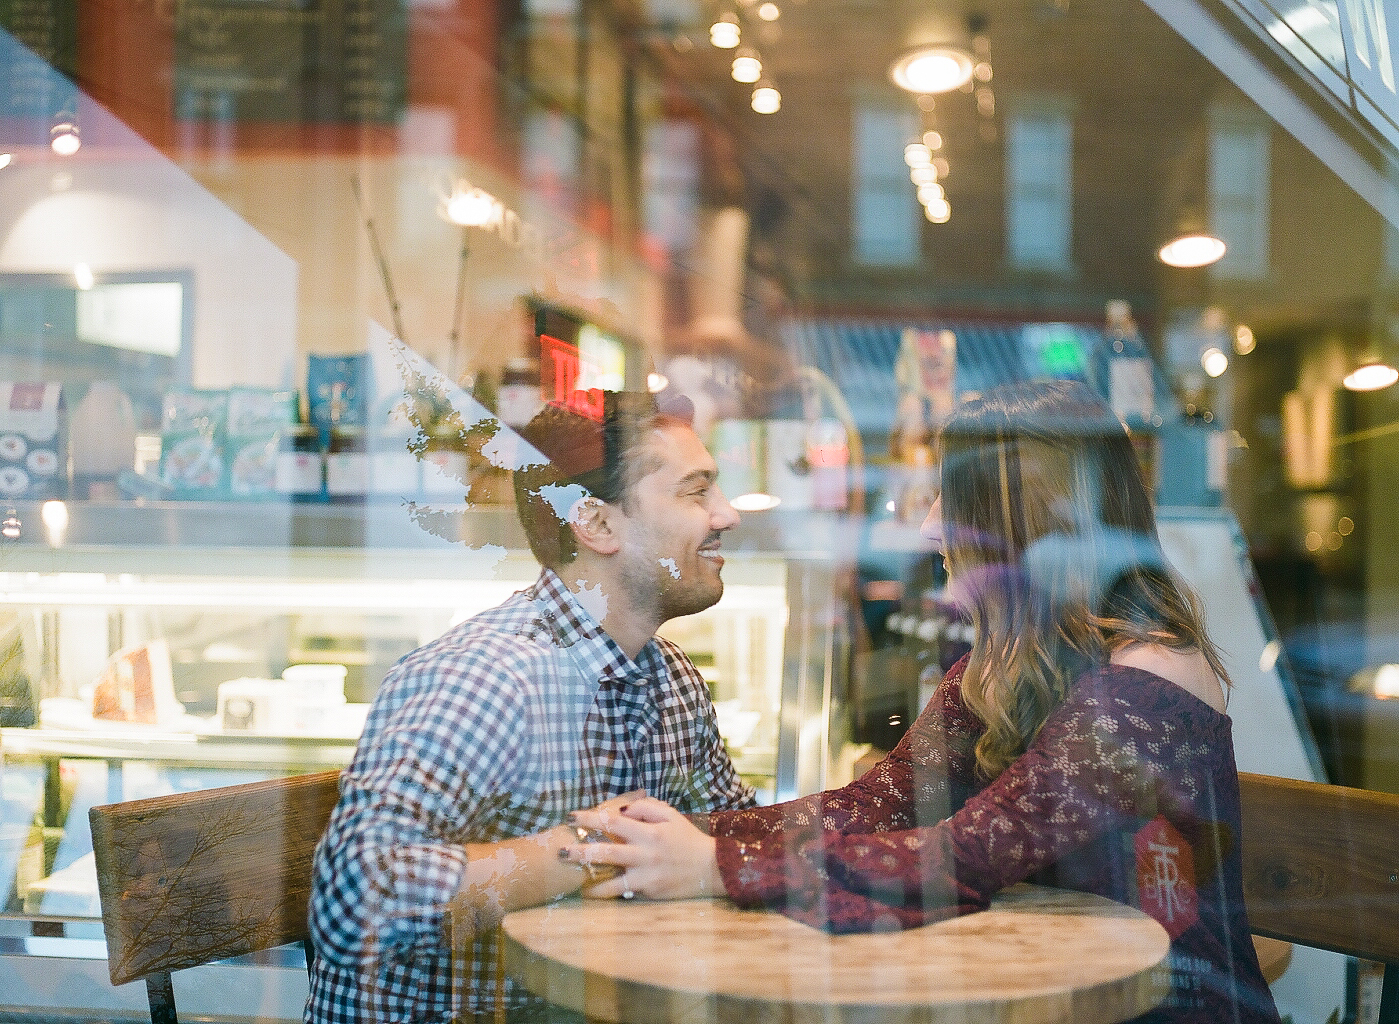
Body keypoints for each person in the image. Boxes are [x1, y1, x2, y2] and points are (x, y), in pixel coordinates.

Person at [565, 380, 1282, 1024]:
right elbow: (874, 802)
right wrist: (684, 836)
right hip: (1039, 1001)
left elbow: (964, 856)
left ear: (1032, 524)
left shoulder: (1150, 676)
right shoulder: (1002, 663)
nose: (927, 526)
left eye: (951, 499)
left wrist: (712, 866)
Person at [307, 390, 756, 1023]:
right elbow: (353, 906)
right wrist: (589, 844)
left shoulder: (671, 678)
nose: (727, 515)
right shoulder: (486, 680)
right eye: (696, 491)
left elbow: (732, 836)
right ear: (596, 524)